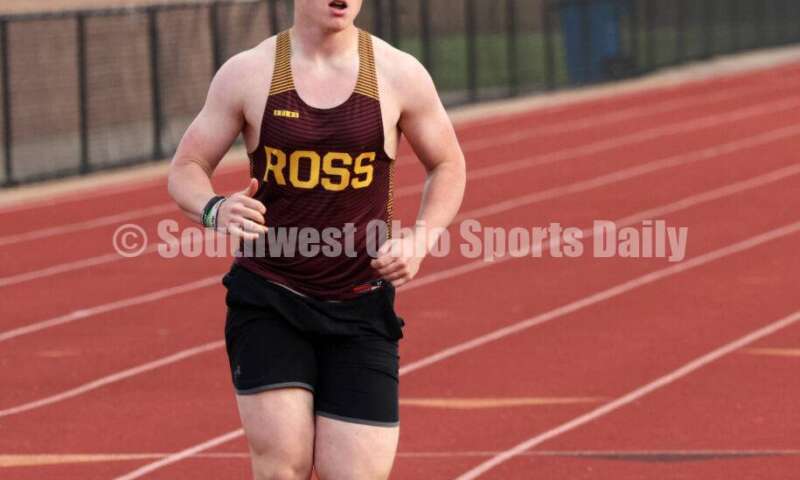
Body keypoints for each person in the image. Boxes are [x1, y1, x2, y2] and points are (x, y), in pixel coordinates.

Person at [167, 0, 465, 478]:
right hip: (271, 297)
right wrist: (215, 208)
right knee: (282, 465)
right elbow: (186, 167)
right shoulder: (249, 73)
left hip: (361, 305)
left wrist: (419, 240)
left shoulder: (397, 73)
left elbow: (448, 163)